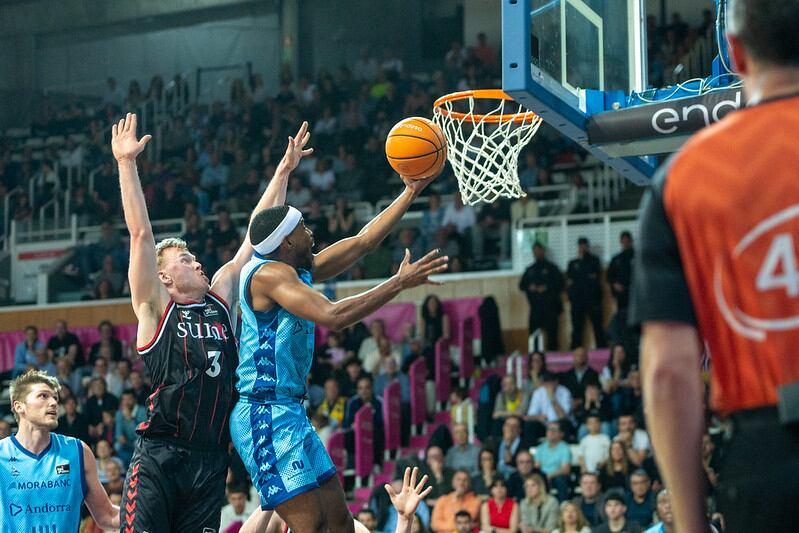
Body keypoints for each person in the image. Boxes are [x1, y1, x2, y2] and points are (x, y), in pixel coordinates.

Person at [631, 3, 799, 532]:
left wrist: (689, 521)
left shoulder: (685, 178)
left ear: (737, 53)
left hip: (769, 460)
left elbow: (668, 370)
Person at [112, 113, 310, 531]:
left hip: (210, 458)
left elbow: (255, 239)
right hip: (160, 454)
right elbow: (141, 236)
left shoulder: (221, 296)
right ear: (165, 277)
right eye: (185, 259)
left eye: (194, 257)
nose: (196, 261)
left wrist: (282, 173)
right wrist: (126, 164)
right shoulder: (154, 307)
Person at [230, 166, 446, 532]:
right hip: (263, 413)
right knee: (310, 526)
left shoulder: (296, 267)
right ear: (286, 242)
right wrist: (397, 283)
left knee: (341, 525)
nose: (310, 233)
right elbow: (334, 315)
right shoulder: (268, 275)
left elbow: (362, 241)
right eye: (302, 229)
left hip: (290, 410)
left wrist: (410, 191)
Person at [0, 370, 119, 531]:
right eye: (43, 396)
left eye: (55, 398)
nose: (54, 403)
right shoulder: (2, 455)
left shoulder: (78, 451)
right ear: (19, 406)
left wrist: (152, 511)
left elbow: (108, 517)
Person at [519, 242, 564, 350]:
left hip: (550, 307)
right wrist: (530, 287)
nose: (537, 253)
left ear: (543, 251)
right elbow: (521, 285)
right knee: (534, 336)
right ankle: (535, 357)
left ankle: (553, 356)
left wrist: (546, 287)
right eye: (535, 251)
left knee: (552, 335)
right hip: (535, 308)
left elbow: (560, 284)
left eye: (539, 250)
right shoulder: (530, 270)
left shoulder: (552, 268)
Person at [566, 237, 605, 349]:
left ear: (587, 246)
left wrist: (579, 279)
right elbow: (570, 281)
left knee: (598, 326)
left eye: (584, 245)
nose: (582, 247)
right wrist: (584, 278)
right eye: (580, 245)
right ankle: (575, 352)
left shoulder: (594, 260)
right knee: (577, 328)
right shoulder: (573, 263)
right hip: (577, 301)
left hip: (593, 299)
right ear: (578, 247)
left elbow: (594, 277)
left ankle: (601, 350)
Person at [534, 422, 572, 501]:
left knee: (561, 479)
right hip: (543, 476)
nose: (550, 432)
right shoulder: (540, 448)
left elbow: (565, 469)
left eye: (554, 430)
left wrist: (549, 475)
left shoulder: (564, 448)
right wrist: (543, 476)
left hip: (556, 476)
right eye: (549, 430)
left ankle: (563, 505)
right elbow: (537, 466)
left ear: (561, 434)